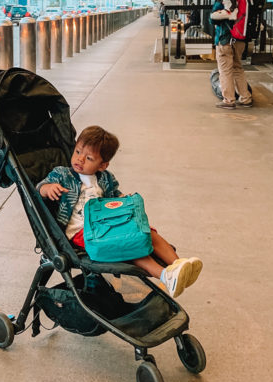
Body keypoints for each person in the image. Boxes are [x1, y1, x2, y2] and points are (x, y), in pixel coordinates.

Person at [37, 125, 202, 298]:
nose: (80, 159)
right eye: (78, 152)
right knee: (129, 243)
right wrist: (48, 189)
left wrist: (124, 200)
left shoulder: (106, 178)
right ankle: (165, 276)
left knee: (147, 233)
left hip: (108, 225)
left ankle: (178, 265)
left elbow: (115, 196)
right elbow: (39, 188)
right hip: (83, 232)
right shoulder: (63, 174)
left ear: (102, 165)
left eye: (89, 158)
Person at [210, 0, 252, 109]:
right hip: (240, 38)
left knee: (225, 70)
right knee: (237, 68)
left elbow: (213, 19)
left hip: (225, 39)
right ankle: (245, 98)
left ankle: (228, 100)